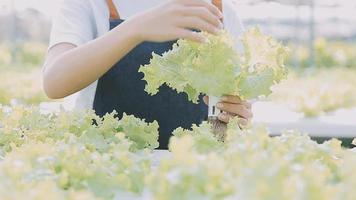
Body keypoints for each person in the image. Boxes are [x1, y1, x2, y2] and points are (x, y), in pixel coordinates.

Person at [43, 0, 253, 149]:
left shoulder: (219, 9)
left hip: (192, 174)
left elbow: (236, 110)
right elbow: (54, 81)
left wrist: (236, 116)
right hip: (107, 170)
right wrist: (136, 28)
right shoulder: (89, 4)